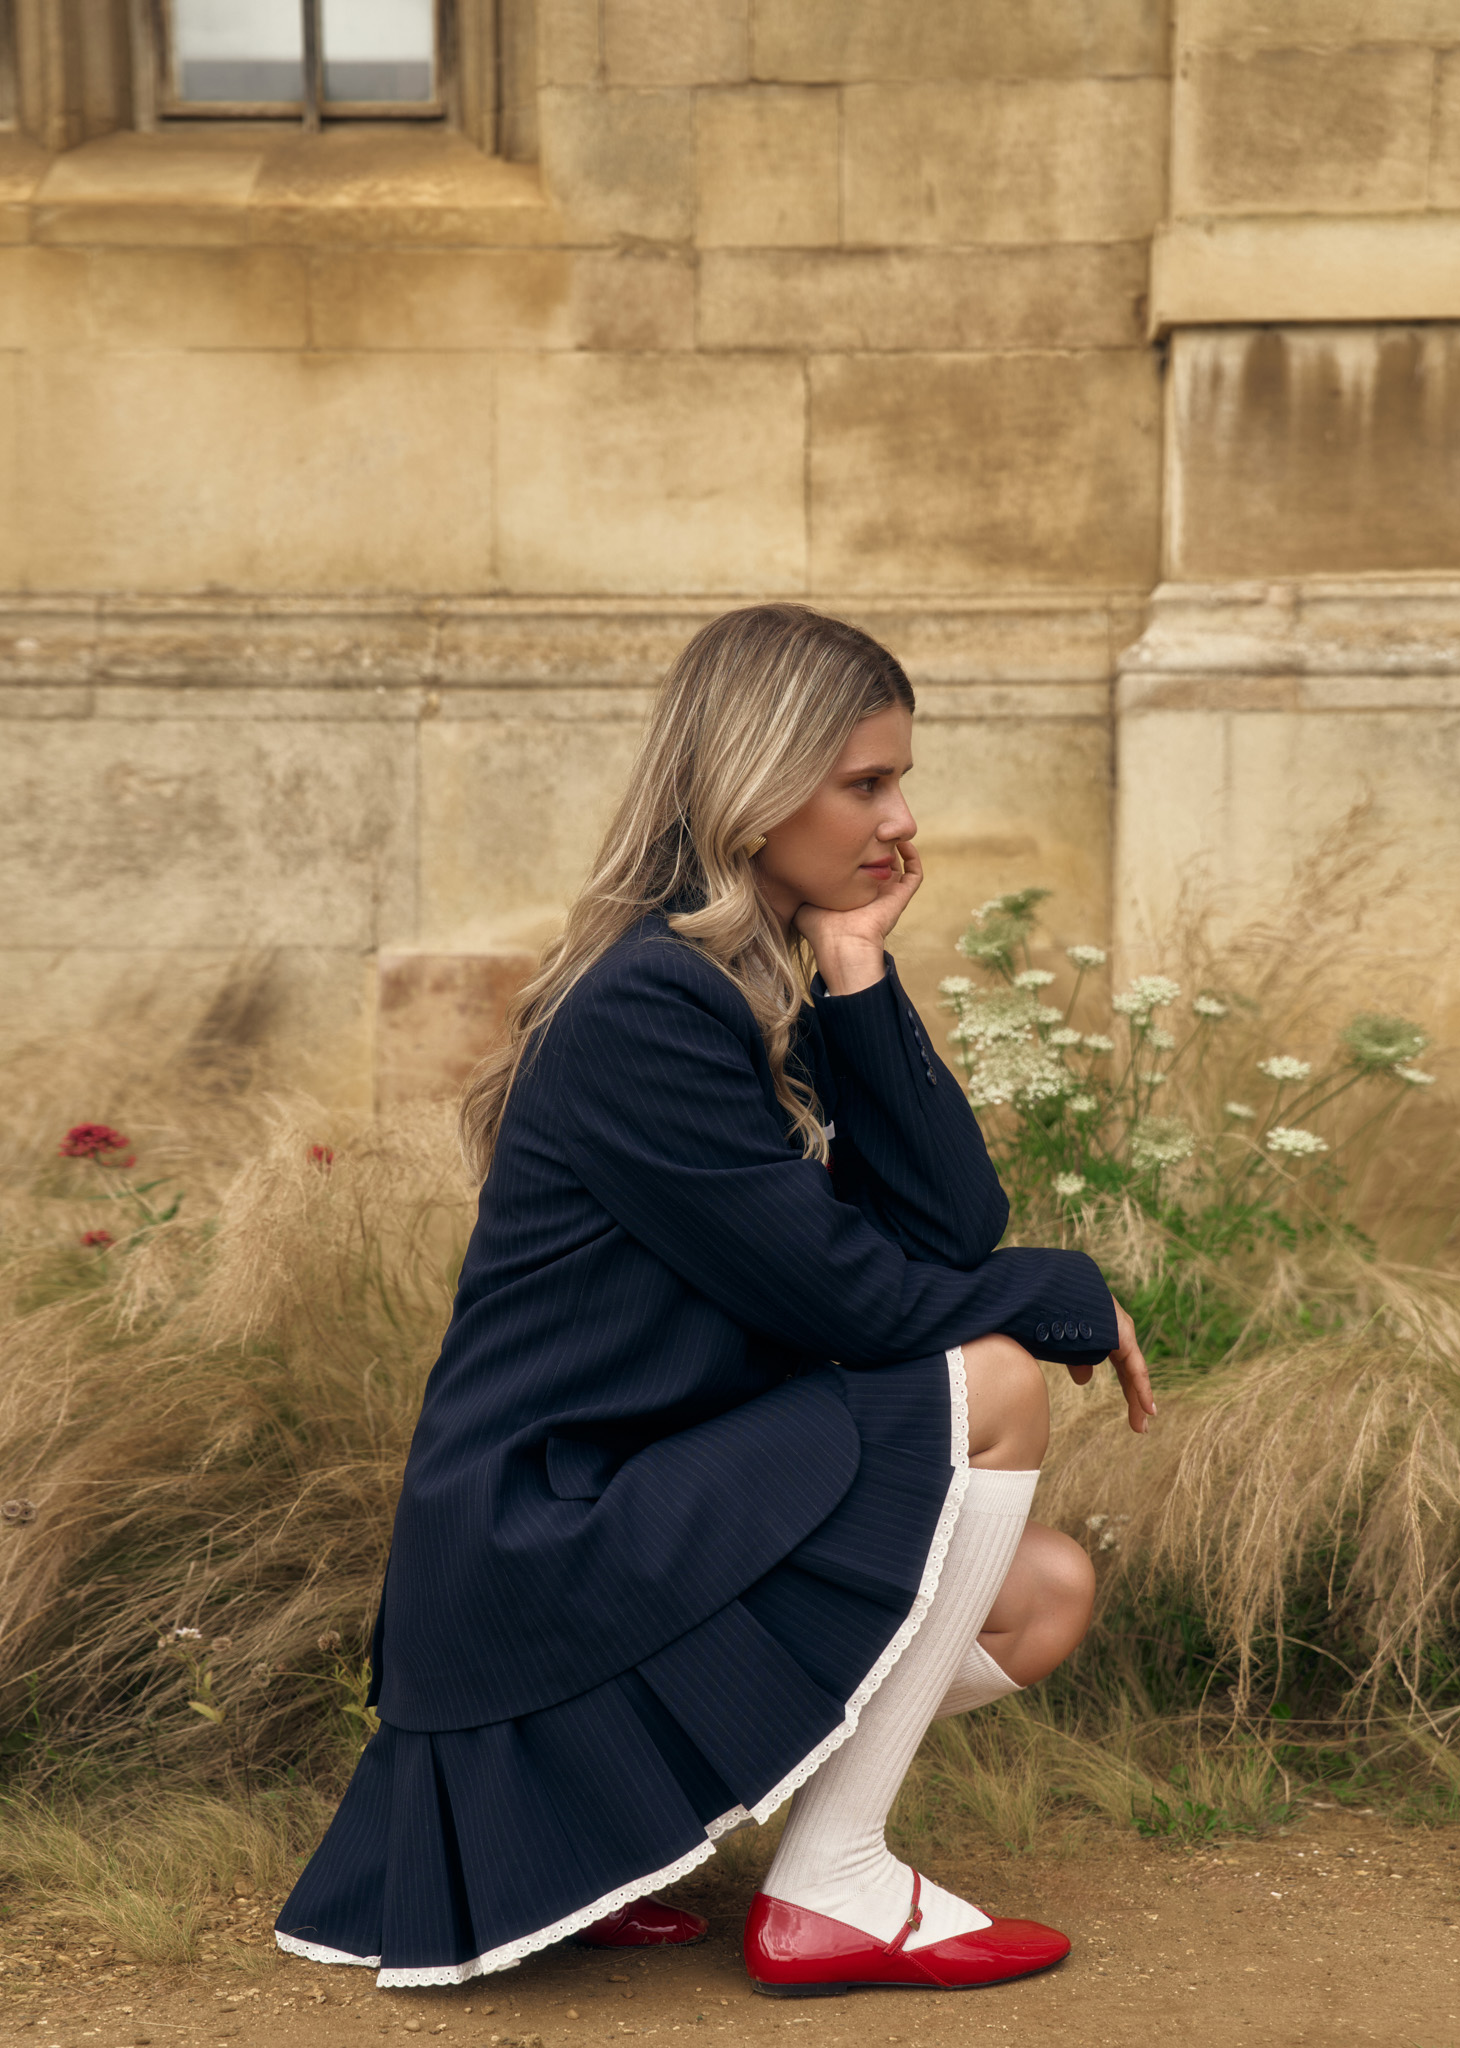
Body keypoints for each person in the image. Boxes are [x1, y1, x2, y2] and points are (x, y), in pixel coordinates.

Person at [275, 603, 1154, 1997]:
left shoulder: (753, 980)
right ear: (757, 784)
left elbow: (946, 1227)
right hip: (543, 1531)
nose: (901, 821)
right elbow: (854, 1302)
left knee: (1039, 1596)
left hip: (634, 1505)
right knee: (993, 1380)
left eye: (900, 781)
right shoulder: (648, 1004)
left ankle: (610, 1842)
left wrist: (858, 969)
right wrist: (1061, 1294)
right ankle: (835, 1888)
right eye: (866, 782)